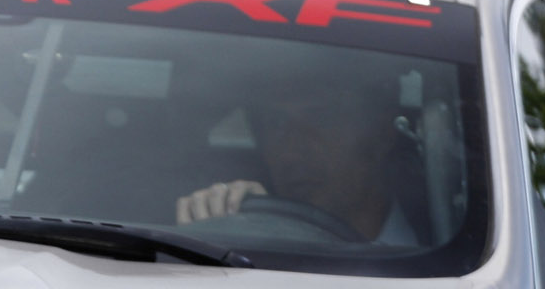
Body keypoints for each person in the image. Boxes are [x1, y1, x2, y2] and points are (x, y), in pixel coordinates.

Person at [175, 72, 423, 245]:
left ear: (380, 135)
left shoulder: (450, 259)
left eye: (321, 119)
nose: (291, 151)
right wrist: (230, 225)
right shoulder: (254, 248)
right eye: (276, 124)